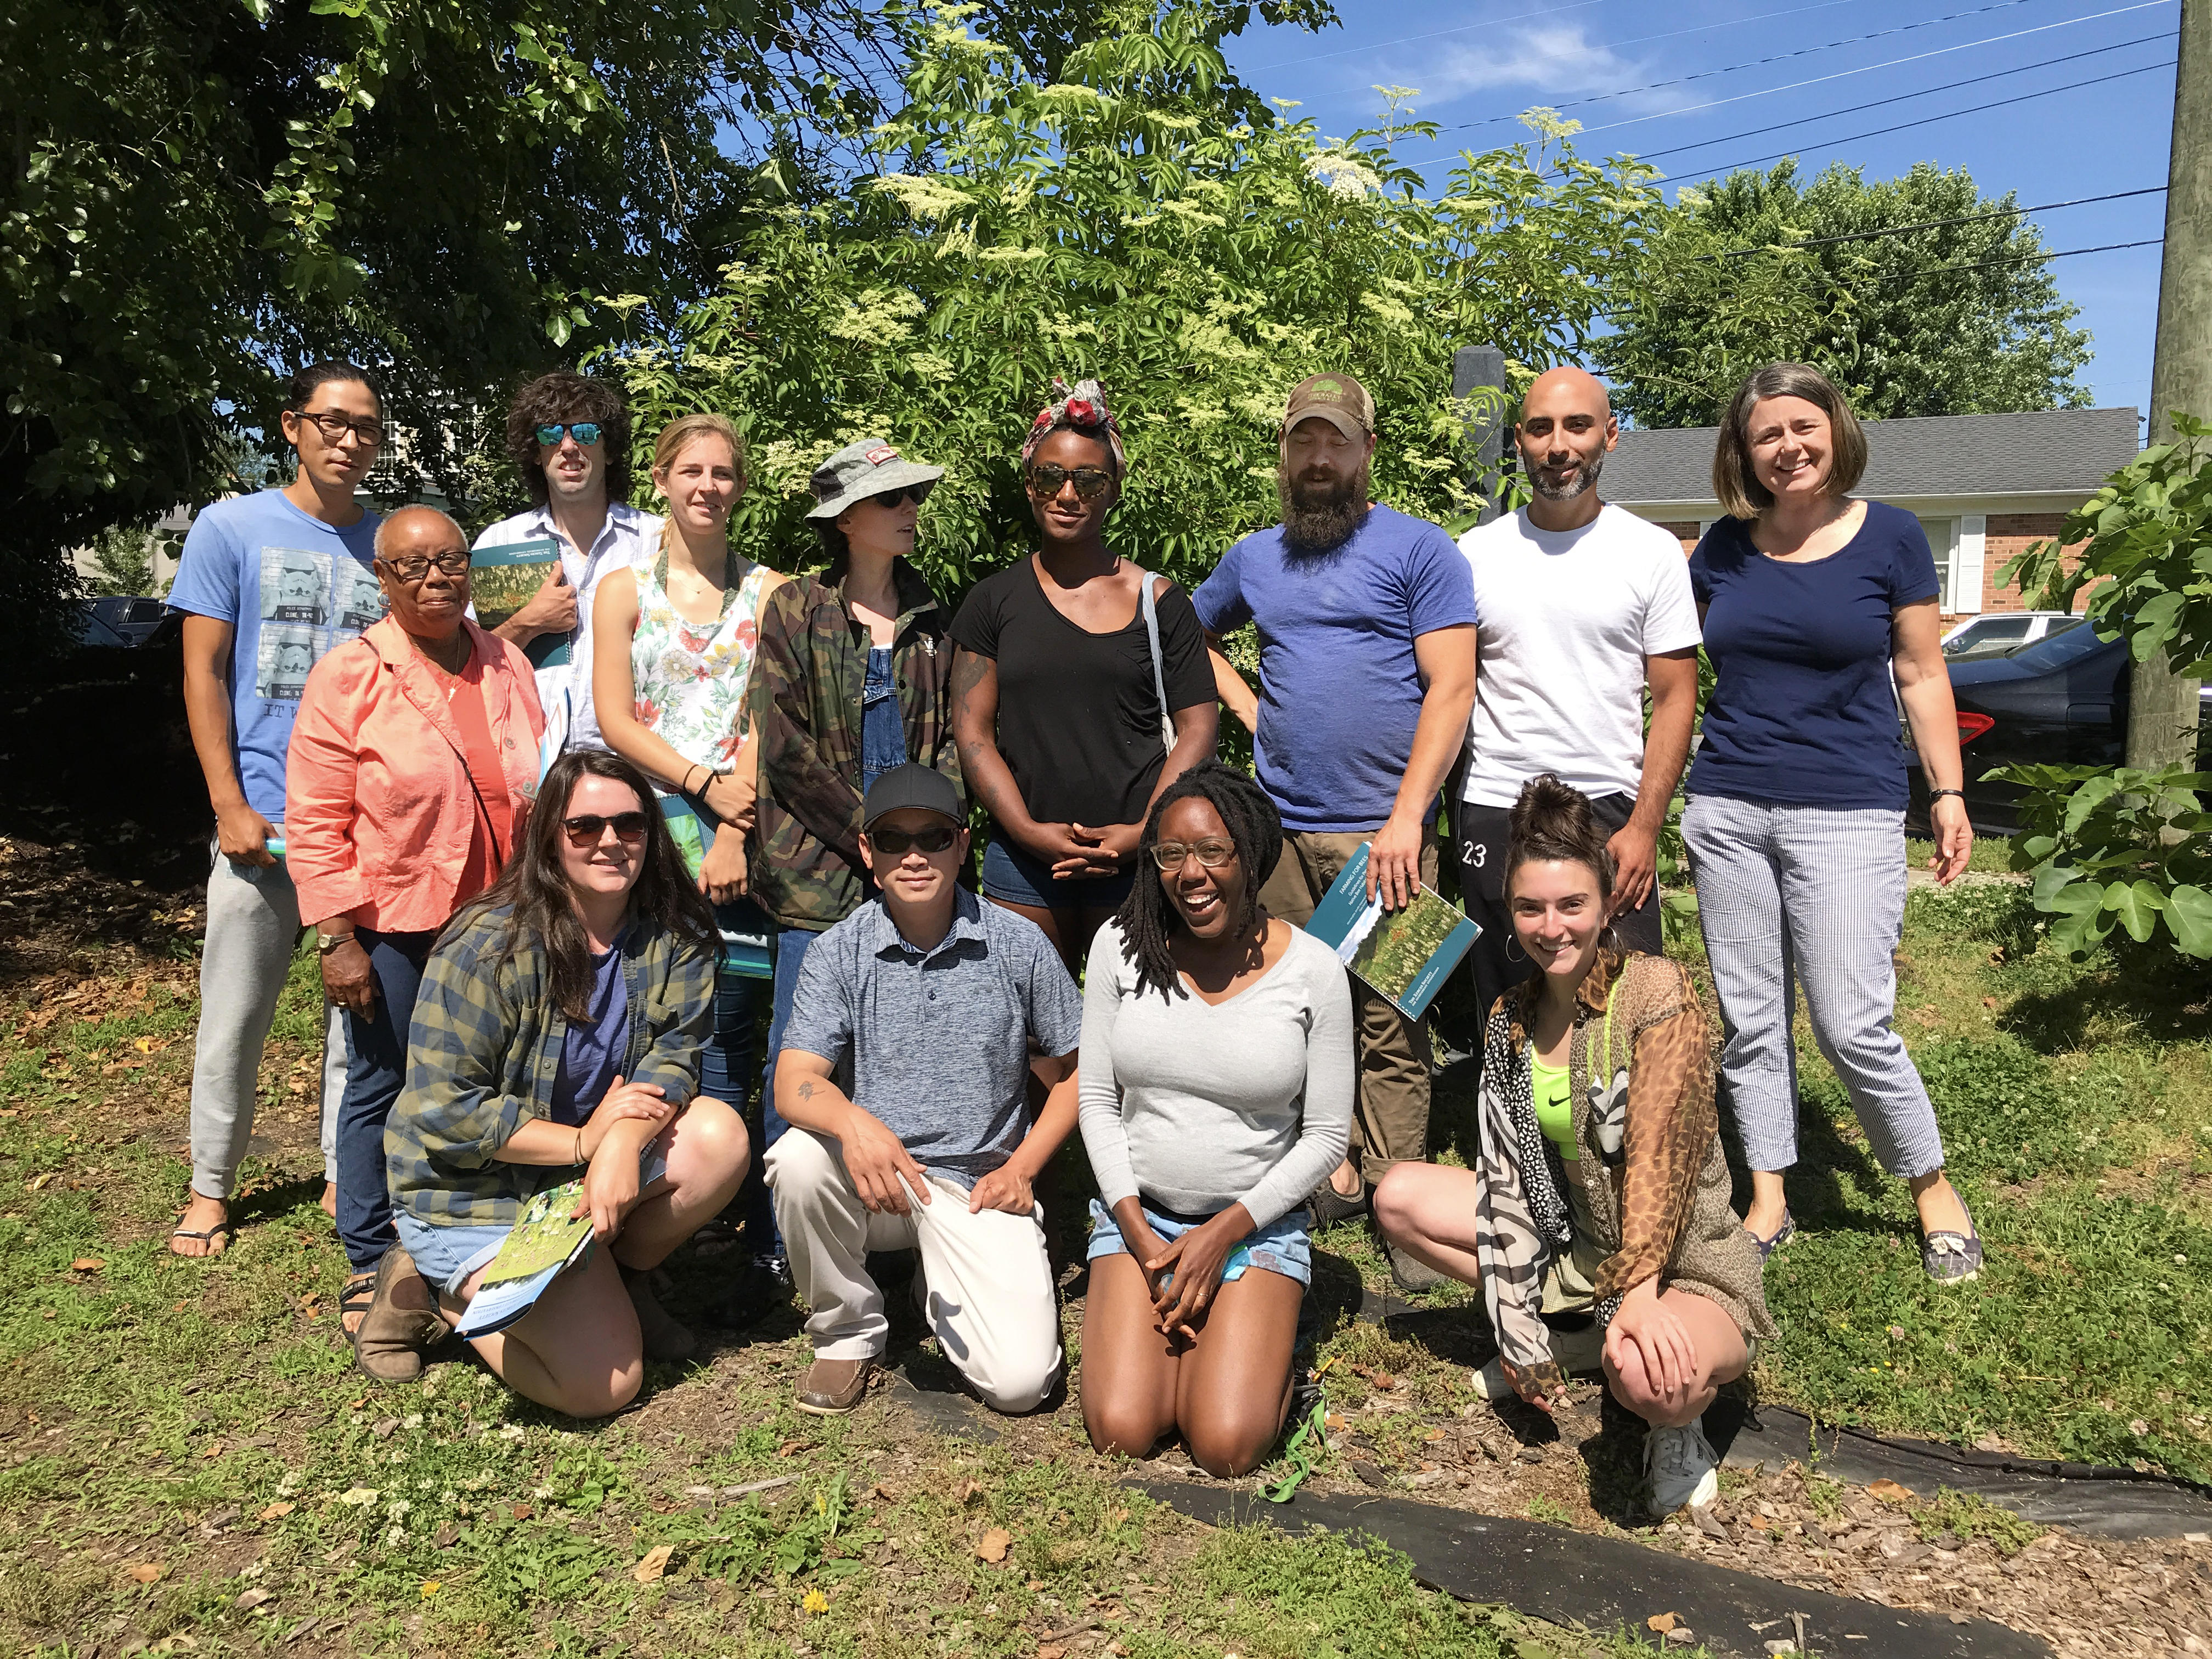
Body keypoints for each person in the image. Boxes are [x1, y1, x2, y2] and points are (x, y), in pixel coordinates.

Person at [1373, 776, 1776, 1515]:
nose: (1551, 926)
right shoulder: (1509, 1019)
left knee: (1648, 1376)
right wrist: (1518, 1328)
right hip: (1578, 1246)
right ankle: (1573, 1337)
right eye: (1531, 907)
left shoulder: (1655, 994)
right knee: (1397, 1198)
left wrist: (1641, 1292)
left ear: (1605, 904)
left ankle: (1674, 1422)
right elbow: (1503, 1181)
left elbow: (1663, 1154)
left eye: (1571, 905)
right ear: (1509, 909)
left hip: (1687, 1262)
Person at [1682, 362, 1980, 1283]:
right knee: (1750, 1014)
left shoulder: (1887, 537)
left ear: (1834, 430)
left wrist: (1947, 790)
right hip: (1726, 804)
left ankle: (1928, 1181)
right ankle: (1768, 1190)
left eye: (1801, 427)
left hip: (1846, 807)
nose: (1787, 447)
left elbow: (1922, 672)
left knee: (1851, 1019)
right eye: (1766, 433)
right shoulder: (1720, 548)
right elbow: (1676, 670)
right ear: (1744, 450)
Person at [1192, 371, 1476, 1289]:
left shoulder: (1421, 551)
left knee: (1392, 1018)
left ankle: (1401, 1198)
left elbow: (1453, 688)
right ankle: (1325, 1174)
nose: (1318, 459)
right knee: (1289, 1015)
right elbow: (1178, 629)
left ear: (1365, 451)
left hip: (1386, 838)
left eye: (1336, 442)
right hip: (1274, 836)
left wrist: (1406, 818)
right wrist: (1245, 705)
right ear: (1284, 452)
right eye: (1302, 442)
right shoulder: (1254, 556)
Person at [370, 751, 752, 1407]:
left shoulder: (675, 935)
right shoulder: (488, 944)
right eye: (585, 827)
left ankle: (621, 1279)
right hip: (473, 1191)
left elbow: (673, 1060)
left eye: (630, 825)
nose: (611, 841)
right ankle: (434, 1290)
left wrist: (619, 1145)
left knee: (720, 1136)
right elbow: (443, 1110)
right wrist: (584, 1147)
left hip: (576, 1176)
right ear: (550, 837)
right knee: (604, 1387)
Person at [285, 506, 544, 1349]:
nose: (437, 578)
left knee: (490, 1075)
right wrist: (336, 936)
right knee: (383, 1078)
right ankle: (370, 1256)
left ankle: (470, 1225)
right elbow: (316, 816)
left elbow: (530, 782)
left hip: (498, 918)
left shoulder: (505, 661)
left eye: (451, 561)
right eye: (413, 567)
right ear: (383, 578)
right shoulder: (350, 674)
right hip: (394, 919)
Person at [765, 764, 1081, 1417]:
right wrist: (856, 1126)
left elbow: (1079, 1074)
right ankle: (847, 1335)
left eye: (934, 837)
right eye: (893, 840)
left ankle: (928, 1285)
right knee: (796, 1160)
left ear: (962, 846)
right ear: (867, 854)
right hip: (877, 1179)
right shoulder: (838, 952)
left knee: (1021, 1387)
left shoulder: (1018, 945)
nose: (913, 855)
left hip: (978, 1189)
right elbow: (793, 1083)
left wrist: (1023, 1168)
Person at [738, 441, 963, 1324]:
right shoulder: (795, 607)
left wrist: (926, 830)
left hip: (919, 866)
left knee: (911, 1056)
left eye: (912, 494)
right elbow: (783, 745)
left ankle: (908, 1241)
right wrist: (867, 835)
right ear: (844, 519)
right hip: (815, 874)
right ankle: (775, 1246)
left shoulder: (932, 617)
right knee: (802, 1061)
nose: (909, 509)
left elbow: (946, 738)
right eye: (890, 498)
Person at [1077, 763, 1352, 1477]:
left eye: (1213, 852)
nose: (1190, 873)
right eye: (1171, 854)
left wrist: (1221, 1235)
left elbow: (1325, 1136)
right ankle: (1211, 1339)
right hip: (1144, 1223)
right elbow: (1098, 1100)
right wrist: (1137, 1231)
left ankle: (1263, 1342)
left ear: (1252, 854)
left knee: (1225, 1445)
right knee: (1121, 1428)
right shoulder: (1120, 946)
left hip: (1250, 1227)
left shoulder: (1313, 971)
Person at [165, 361, 382, 1260]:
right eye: (331, 420)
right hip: (261, 823)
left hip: (363, 828)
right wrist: (227, 801)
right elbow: (201, 671)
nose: (348, 437)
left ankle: (343, 1169)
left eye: (366, 425)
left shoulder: (388, 542)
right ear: (292, 426)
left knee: (359, 1014)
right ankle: (210, 1186)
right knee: (235, 1015)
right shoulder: (230, 528)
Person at [1454, 366, 1701, 1044]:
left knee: (1620, 1005)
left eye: (1577, 426)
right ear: (1520, 442)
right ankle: (1511, 1146)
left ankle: (1615, 1148)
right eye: (1540, 428)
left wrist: (1647, 827)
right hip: (1495, 803)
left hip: (1607, 810)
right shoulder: (1472, 556)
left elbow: (1678, 697)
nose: (1558, 444)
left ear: (1611, 436)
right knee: (1504, 1008)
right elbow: (1445, 691)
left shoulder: (1650, 553)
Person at [593, 414, 787, 1254]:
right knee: (654, 1019)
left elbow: (766, 715)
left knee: (736, 1013)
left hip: (740, 831)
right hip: (644, 835)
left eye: (725, 473)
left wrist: (733, 824)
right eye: (692, 471)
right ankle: (647, 1209)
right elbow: (612, 717)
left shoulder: (770, 592)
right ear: (663, 481)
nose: (709, 486)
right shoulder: (623, 590)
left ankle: (733, 1209)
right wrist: (698, 784)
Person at [950, 378, 1217, 974]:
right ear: (1029, 485)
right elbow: (972, 732)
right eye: (1051, 477)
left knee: (1137, 1040)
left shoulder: (1160, 601)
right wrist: (1026, 830)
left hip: (1137, 861)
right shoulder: (992, 602)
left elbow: (1198, 729)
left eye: (1089, 481)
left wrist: (1143, 832)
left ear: (1113, 491)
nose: (1067, 494)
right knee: (1024, 1047)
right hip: (1022, 866)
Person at [473, 370, 658, 753]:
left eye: (586, 433)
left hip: (636, 767)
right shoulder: (499, 543)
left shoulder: (658, 542)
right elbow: (468, 665)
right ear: (537, 452)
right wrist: (528, 624)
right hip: (529, 763)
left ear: (609, 450)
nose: (569, 446)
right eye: (551, 434)